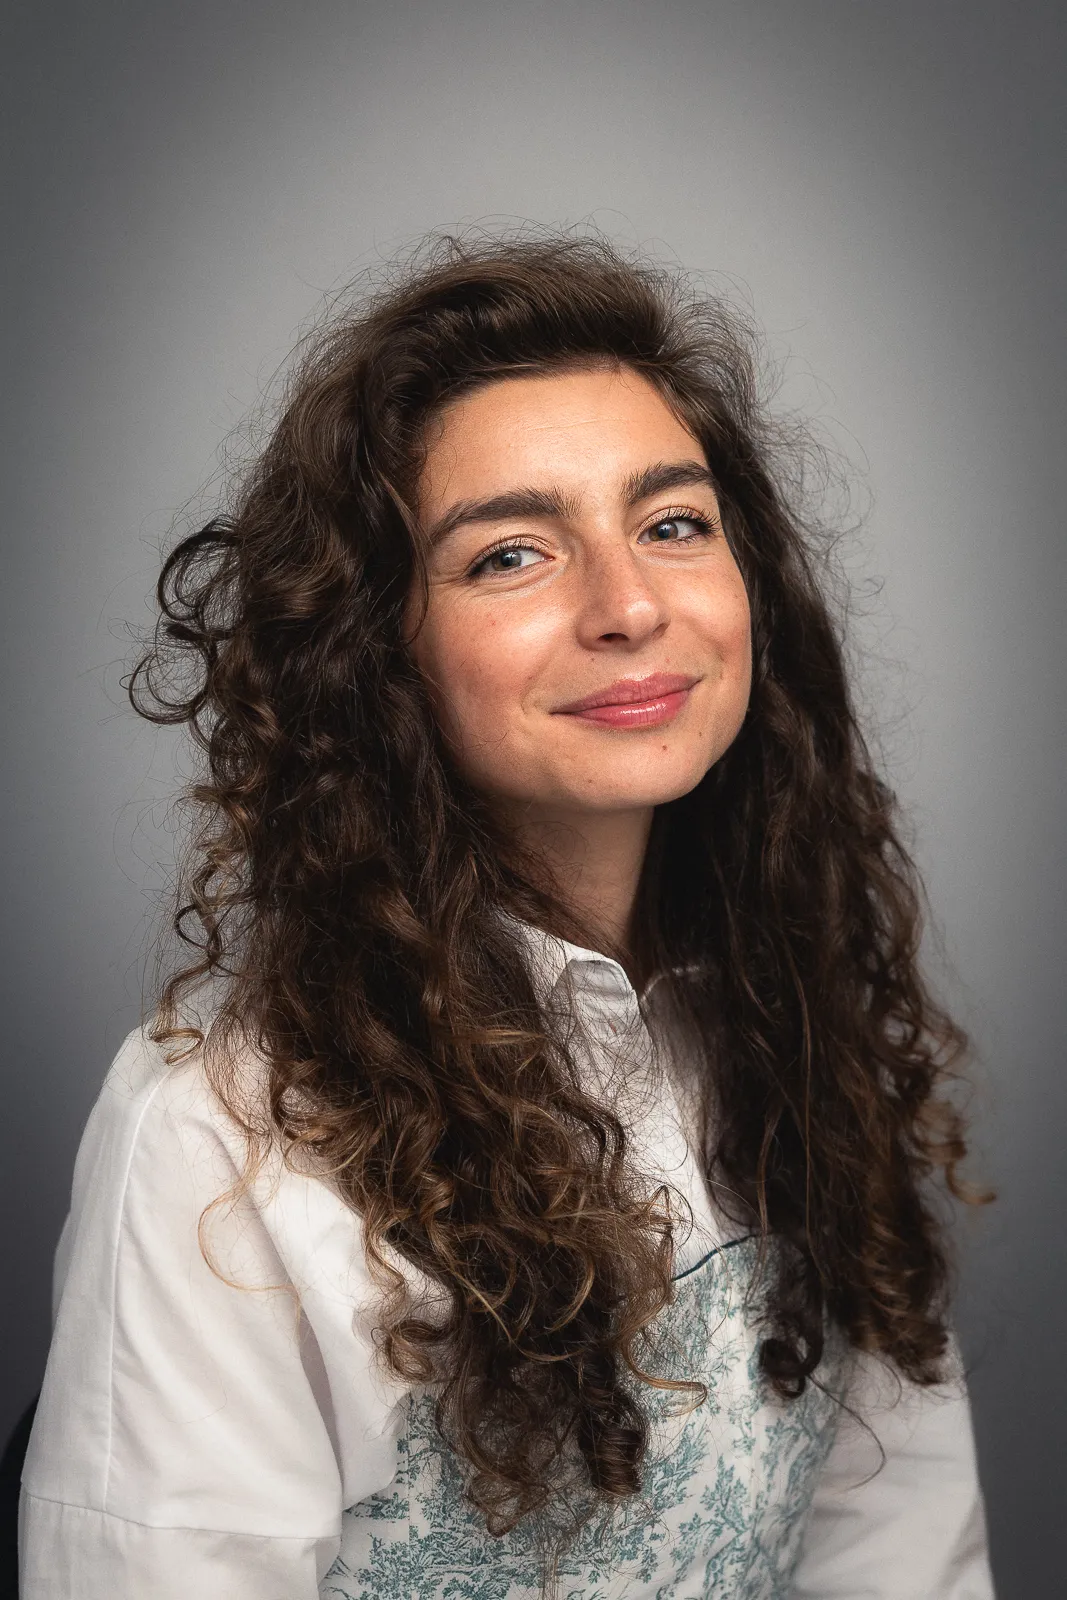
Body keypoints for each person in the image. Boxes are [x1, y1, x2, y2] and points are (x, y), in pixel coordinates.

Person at [19, 233, 996, 1599]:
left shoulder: (799, 1036)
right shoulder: (217, 1136)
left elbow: (898, 1554)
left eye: (670, 524)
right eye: (511, 556)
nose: (628, 605)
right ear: (379, 652)